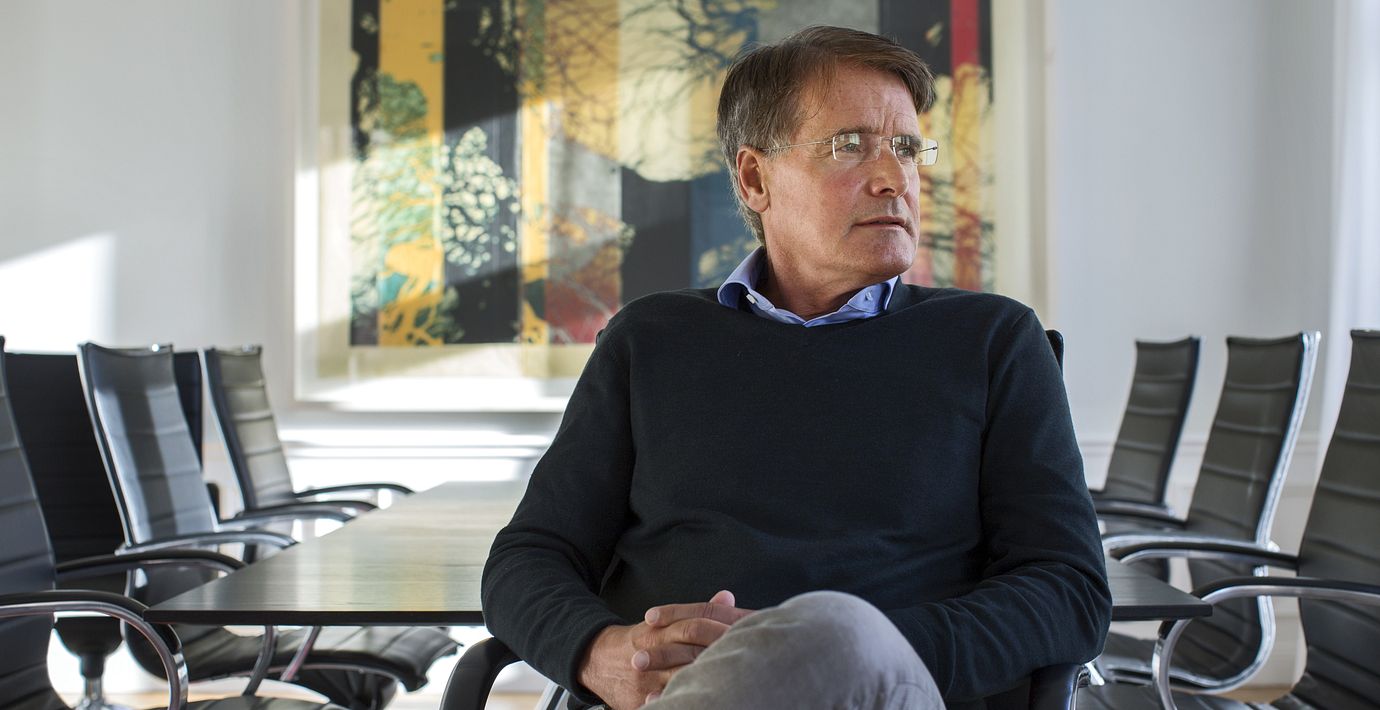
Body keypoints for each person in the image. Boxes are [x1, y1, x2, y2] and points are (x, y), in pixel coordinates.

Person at [482, 25, 1111, 710]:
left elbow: (1068, 591)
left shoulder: (993, 340)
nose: (893, 178)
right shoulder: (650, 339)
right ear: (755, 179)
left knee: (836, 630)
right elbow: (529, 558)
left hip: (891, 693)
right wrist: (600, 653)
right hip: (671, 696)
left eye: (906, 148)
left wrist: (863, 650)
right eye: (850, 146)